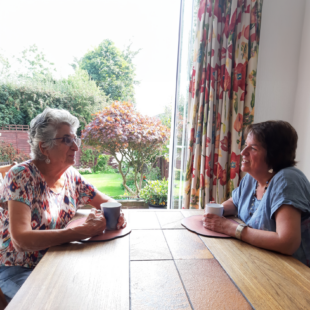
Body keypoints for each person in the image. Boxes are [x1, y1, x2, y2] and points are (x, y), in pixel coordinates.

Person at [0, 107, 127, 302]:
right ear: (44, 147)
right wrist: (81, 231)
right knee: (51, 304)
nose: (75, 147)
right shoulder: (21, 175)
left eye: (75, 138)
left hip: (58, 257)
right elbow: (21, 241)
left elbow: (108, 203)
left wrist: (117, 216)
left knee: (100, 292)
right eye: (67, 140)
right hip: (19, 267)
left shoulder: (71, 176)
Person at [203, 120, 310, 267]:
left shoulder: (287, 180)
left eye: (252, 148)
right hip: (258, 262)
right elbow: (235, 203)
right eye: (245, 145)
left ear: (274, 155)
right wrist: (216, 213)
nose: (243, 152)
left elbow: (287, 242)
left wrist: (229, 228)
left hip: (293, 273)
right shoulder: (251, 179)